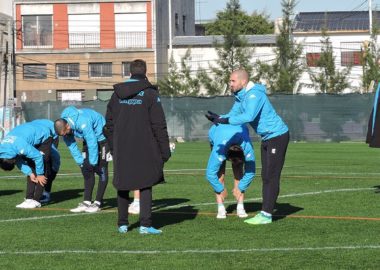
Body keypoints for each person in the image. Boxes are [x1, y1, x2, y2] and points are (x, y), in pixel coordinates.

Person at [205, 69, 289, 225]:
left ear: (242, 81)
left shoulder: (254, 95)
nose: (229, 84)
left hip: (277, 136)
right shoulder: (241, 96)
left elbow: (248, 116)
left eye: (232, 81)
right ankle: (266, 212)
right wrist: (218, 118)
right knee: (266, 176)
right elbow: (233, 114)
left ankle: (266, 215)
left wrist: (224, 121)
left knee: (271, 176)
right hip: (267, 138)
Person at [105, 59, 171, 235]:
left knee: (122, 183)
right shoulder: (150, 94)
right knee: (146, 183)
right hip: (145, 145)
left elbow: (109, 124)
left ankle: (122, 224)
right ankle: (145, 225)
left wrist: (113, 146)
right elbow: (159, 124)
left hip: (122, 146)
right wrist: (164, 150)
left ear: (130, 73)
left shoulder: (116, 94)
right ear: (146, 72)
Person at [54, 106, 109, 213]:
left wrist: (93, 162)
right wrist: (80, 162)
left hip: (102, 138)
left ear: (68, 126)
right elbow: (71, 146)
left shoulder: (82, 122)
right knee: (86, 169)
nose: (64, 136)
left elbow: (92, 142)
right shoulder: (64, 127)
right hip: (88, 137)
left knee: (101, 169)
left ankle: (98, 202)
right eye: (62, 135)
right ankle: (87, 201)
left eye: (65, 133)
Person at [0, 119, 57, 208]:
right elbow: (18, 160)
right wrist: (30, 173)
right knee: (31, 167)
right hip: (28, 136)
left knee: (43, 163)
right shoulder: (3, 150)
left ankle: (36, 200)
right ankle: (29, 199)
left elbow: (38, 156)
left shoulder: (20, 146)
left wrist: (40, 174)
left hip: (44, 135)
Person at [206, 123, 255, 219]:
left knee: (238, 172)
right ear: (227, 157)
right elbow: (210, 174)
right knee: (220, 173)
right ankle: (221, 208)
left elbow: (250, 172)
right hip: (217, 132)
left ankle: (240, 207)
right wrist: (220, 189)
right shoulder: (219, 150)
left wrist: (240, 187)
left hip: (239, 131)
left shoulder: (247, 148)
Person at [40, 139, 60, 204]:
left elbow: (56, 158)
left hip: (53, 162)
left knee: (48, 175)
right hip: (46, 158)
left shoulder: (50, 147)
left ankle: (46, 195)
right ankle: (39, 193)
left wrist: (54, 170)